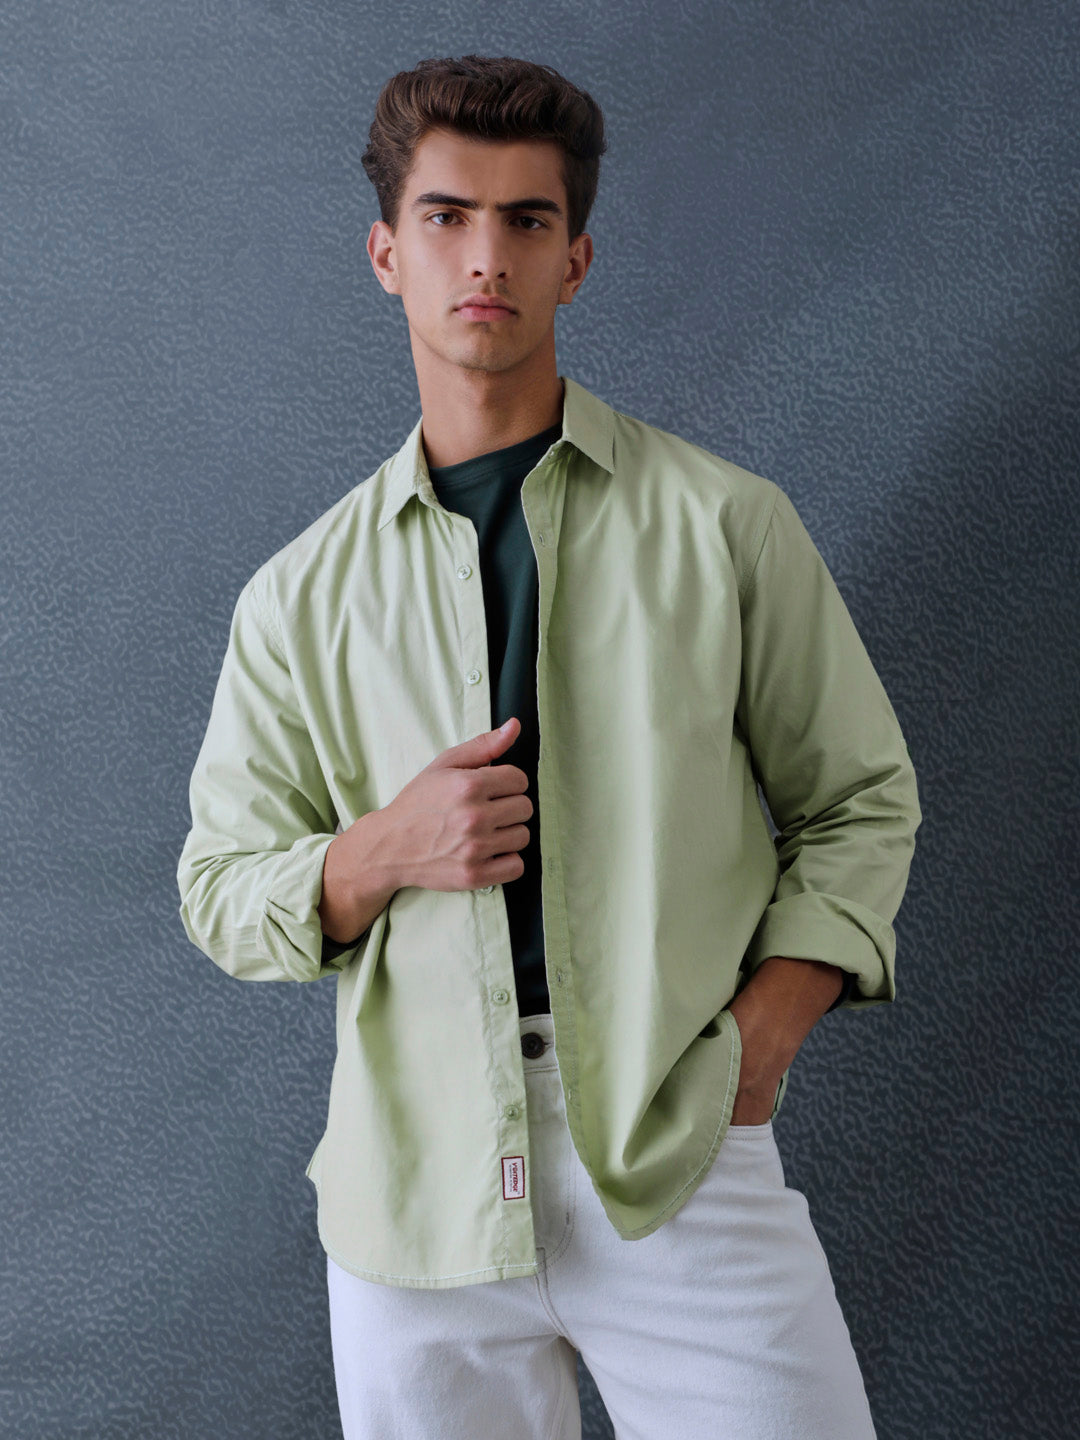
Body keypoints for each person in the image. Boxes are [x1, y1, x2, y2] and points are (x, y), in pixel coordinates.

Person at [177, 53, 921, 1440]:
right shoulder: (297, 598)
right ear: (387, 255)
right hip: (413, 1201)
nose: (487, 256)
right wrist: (379, 850)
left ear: (574, 261)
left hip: (675, 1150)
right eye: (447, 217)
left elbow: (861, 801)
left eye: (526, 220)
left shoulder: (727, 525)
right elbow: (218, 886)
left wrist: (762, 1038)